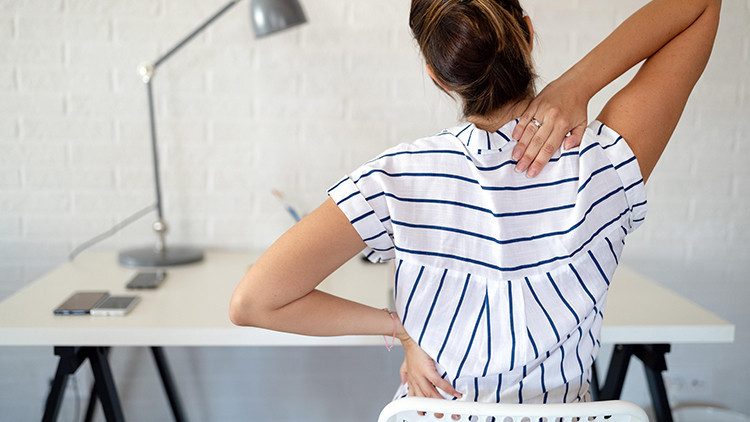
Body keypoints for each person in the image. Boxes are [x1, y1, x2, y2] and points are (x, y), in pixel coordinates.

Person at [230, 0, 720, 404]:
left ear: (438, 77)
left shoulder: (396, 180)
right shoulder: (600, 164)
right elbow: (699, 6)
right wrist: (578, 82)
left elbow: (254, 302)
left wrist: (401, 329)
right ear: (528, 34)